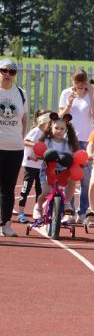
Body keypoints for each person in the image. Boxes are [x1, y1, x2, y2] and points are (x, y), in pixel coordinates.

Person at [58, 69, 94, 223]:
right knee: (68, 175)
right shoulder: (66, 93)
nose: (80, 85)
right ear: (73, 82)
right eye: (77, 82)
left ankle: (83, 211)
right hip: (69, 139)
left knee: (86, 177)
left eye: (83, 82)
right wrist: (69, 104)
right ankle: (67, 210)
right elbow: (61, 117)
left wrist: (90, 95)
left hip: (87, 140)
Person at [34, 114, 81, 224]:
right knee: (45, 191)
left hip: (63, 171)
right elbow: (38, 150)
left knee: (72, 180)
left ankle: (67, 202)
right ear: (51, 127)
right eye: (56, 128)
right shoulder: (46, 141)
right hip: (48, 171)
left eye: (62, 129)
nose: (59, 131)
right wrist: (36, 156)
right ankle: (38, 206)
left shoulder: (68, 144)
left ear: (66, 130)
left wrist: (83, 159)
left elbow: (75, 156)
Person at [0, 58, 28, 237]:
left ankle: (6, 224)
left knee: (8, 188)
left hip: (15, 147)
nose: (8, 75)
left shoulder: (21, 93)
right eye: (4, 70)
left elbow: (24, 118)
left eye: (12, 71)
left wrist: (22, 136)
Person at [18, 110, 52, 223]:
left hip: (42, 166)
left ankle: (38, 211)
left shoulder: (49, 134)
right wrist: (36, 145)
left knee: (40, 189)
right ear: (44, 121)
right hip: (30, 165)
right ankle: (21, 213)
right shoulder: (36, 131)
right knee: (26, 188)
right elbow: (25, 141)